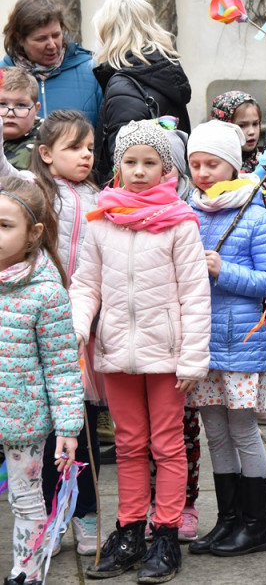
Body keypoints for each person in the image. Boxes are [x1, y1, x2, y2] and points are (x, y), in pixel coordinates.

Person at [70, 120, 211, 583]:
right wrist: (78, 324)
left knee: (167, 446)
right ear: (118, 167)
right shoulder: (102, 220)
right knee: (129, 445)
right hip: (116, 353)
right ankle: (129, 529)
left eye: (150, 162)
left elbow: (194, 294)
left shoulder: (180, 224)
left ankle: (165, 533)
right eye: (130, 162)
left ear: (166, 168)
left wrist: (193, 357)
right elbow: (86, 283)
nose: (139, 171)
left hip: (168, 356)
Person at [185, 120, 266, 556]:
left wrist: (224, 270)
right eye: (195, 164)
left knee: (243, 430)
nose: (203, 172)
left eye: (212, 164)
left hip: (240, 340)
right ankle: (227, 521)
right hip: (199, 341)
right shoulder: (187, 213)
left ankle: (256, 524)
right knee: (215, 433)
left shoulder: (256, 215)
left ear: (233, 165)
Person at [23, 110, 103, 556]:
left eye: (89, 147)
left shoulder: (100, 196)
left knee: (82, 425)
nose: (85, 156)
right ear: (46, 154)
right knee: (47, 431)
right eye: (74, 147)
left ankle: (86, 514)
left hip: (83, 327)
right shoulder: (33, 191)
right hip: (41, 324)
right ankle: (51, 513)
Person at [0, 175, 83, 585]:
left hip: (23, 419)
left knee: (25, 500)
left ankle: (26, 574)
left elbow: (62, 365)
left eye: (5, 225)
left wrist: (68, 427)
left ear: (33, 233)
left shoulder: (46, 292)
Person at [208, 90, 266, 426]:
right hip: (237, 260)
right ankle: (234, 399)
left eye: (255, 123)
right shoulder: (224, 169)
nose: (251, 131)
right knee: (242, 333)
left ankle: (257, 401)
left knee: (264, 331)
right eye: (241, 125)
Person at [91, 0, 192, 183]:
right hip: (168, 191)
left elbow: (122, 164)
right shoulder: (164, 72)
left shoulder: (123, 85)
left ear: (108, 33)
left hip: (140, 202)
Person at [2, 0, 103, 126]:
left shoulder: (92, 71)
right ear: (20, 39)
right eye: (41, 39)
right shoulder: (2, 75)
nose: (52, 45)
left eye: (56, 35)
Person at [1, 67, 41, 170]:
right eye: (2, 104)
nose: (10, 113)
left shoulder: (49, 141)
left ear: (36, 109)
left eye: (21, 105)